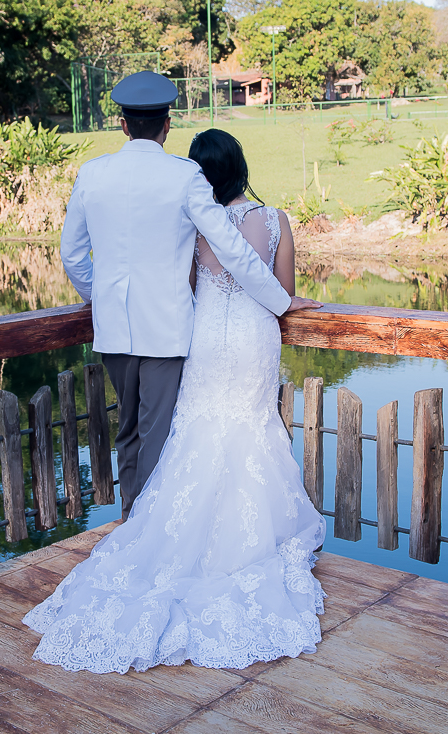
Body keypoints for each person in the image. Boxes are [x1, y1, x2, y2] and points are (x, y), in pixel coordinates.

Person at [24, 128, 327, 674]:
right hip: (256, 335)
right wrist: (285, 300)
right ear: (240, 166)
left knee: (197, 430)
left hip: (205, 337)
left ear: (200, 174)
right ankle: (252, 539)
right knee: (251, 425)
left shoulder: (194, 225)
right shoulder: (275, 219)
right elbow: (282, 290)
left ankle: (161, 532)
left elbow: (187, 282)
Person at [59, 71, 319, 521]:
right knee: (159, 433)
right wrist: (281, 301)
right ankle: (150, 531)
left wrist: (96, 296)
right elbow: (232, 249)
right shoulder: (184, 177)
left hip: (114, 329)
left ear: (123, 123)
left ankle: (131, 520)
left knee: (128, 430)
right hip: (167, 329)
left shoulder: (92, 173)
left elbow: (73, 255)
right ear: (167, 124)